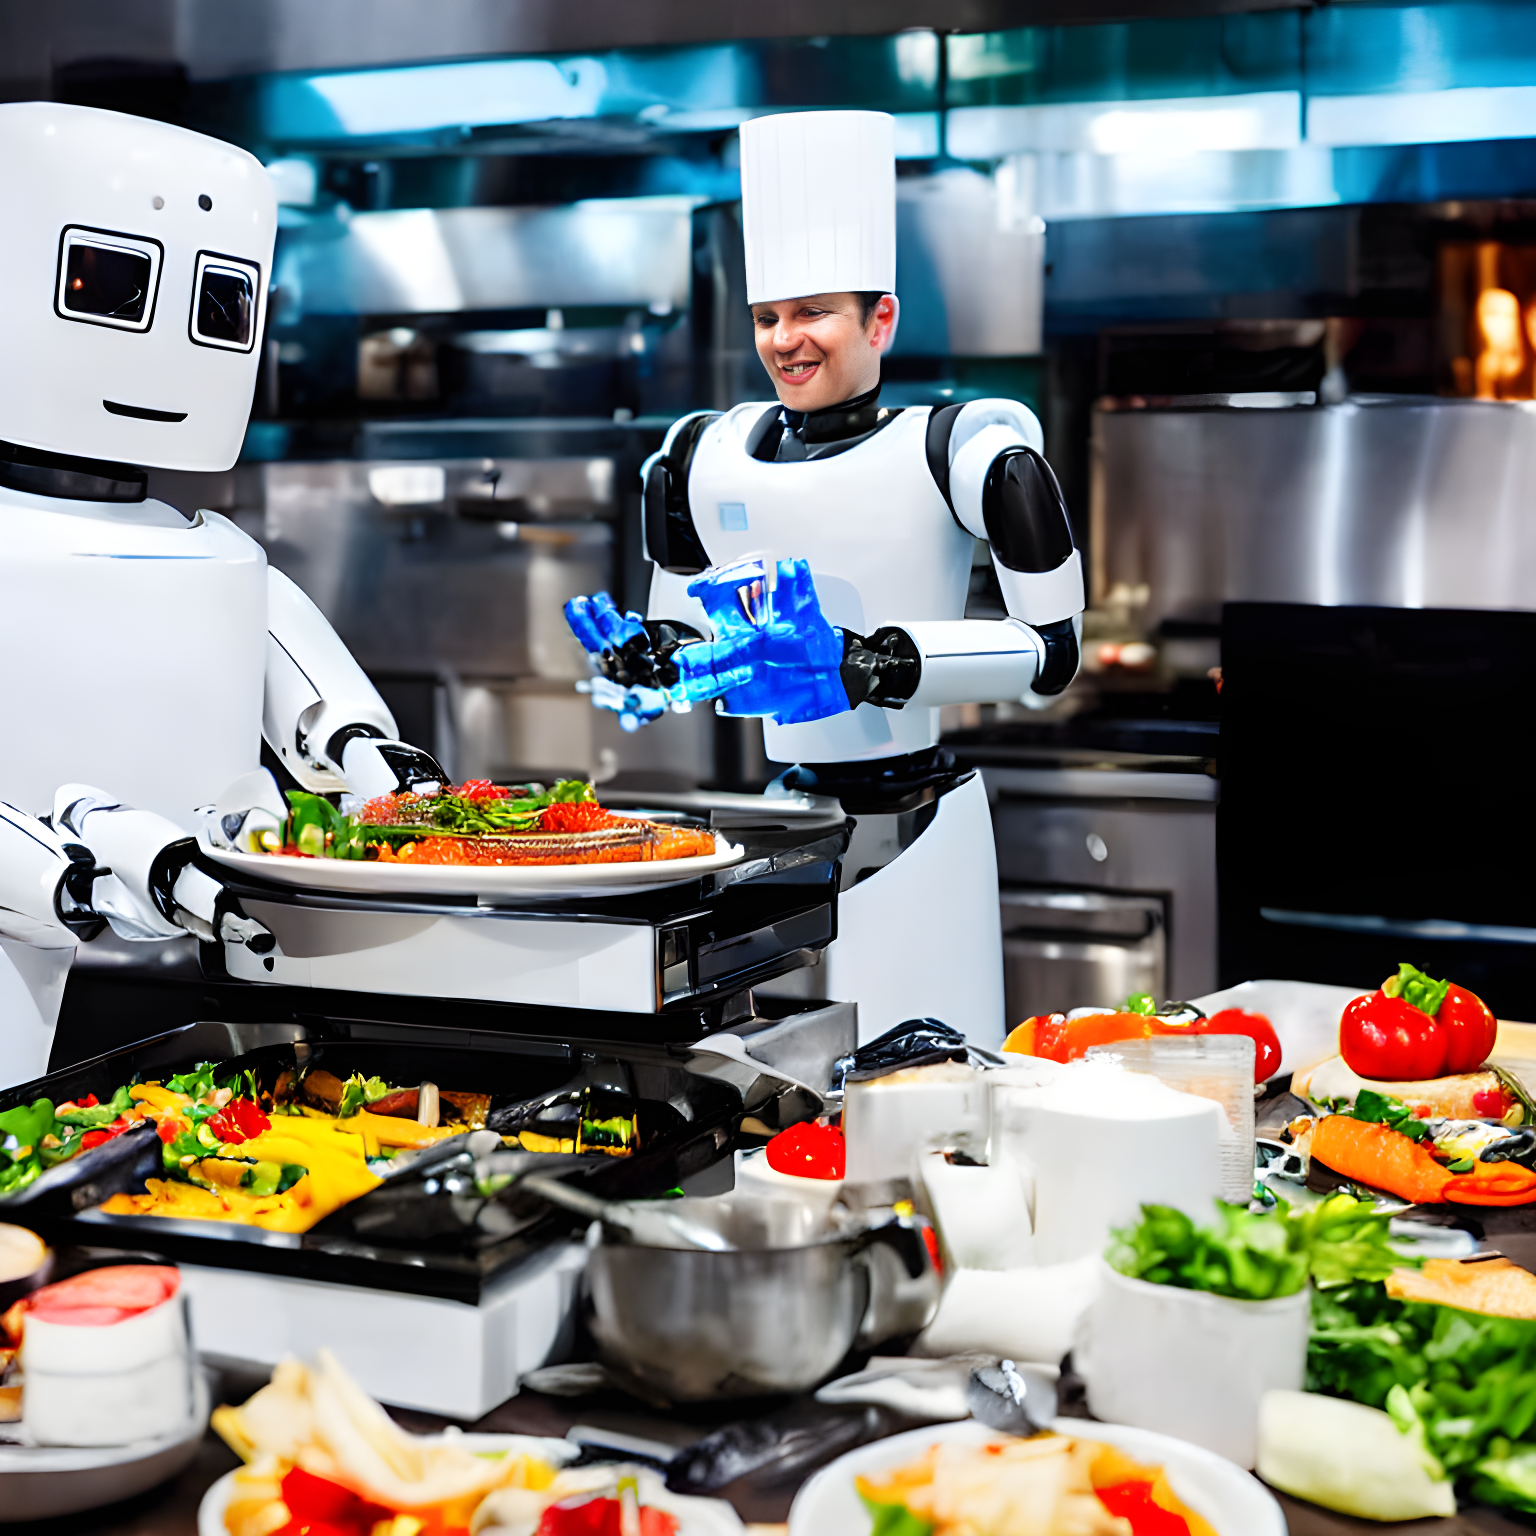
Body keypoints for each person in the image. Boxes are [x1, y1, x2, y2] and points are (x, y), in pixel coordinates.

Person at [568, 110, 1084, 1048]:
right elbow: (688, 630)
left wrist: (873, 663)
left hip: (922, 818)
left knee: (928, 1075)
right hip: (784, 819)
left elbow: (1050, 652)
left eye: (813, 314)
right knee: (783, 1078)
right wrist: (652, 659)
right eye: (768, 317)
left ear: (880, 318)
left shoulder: (965, 452)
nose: (785, 340)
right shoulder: (701, 454)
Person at [0, 103, 443, 1086]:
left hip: (234, 928)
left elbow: (304, 695)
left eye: (220, 306)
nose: (168, 343)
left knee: (243, 1115)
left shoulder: (222, 555)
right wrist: (69, 882)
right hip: (28, 945)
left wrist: (369, 757)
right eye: (111, 287)